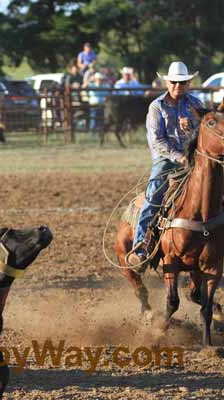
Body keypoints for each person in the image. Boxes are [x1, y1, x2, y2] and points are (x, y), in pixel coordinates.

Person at [127, 61, 203, 268]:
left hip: (194, 159)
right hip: (166, 161)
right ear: (167, 83)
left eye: (182, 82)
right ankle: (141, 247)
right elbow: (157, 141)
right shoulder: (157, 107)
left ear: (188, 83)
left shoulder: (196, 104)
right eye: (174, 82)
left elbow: (205, 134)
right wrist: (179, 157)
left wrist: (191, 130)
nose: (178, 86)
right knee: (154, 197)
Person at [85, 72, 111, 137]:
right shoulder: (91, 85)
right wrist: (89, 80)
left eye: (100, 79)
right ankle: (91, 136)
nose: (99, 80)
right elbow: (83, 86)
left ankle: (100, 135)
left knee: (101, 121)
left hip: (102, 105)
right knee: (93, 120)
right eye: (98, 79)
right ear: (95, 79)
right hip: (94, 105)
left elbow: (110, 88)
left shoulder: (105, 86)